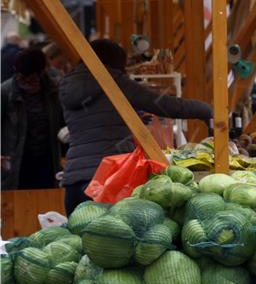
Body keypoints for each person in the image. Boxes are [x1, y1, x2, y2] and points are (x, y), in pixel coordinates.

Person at [59, 39, 212, 214]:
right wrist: (206, 110)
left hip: (74, 178)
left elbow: (97, 117)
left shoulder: (67, 86)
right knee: (110, 238)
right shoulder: (114, 82)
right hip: (108, 179)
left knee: (78, 236)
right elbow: (165, 104)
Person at [1, 48, 65, 190]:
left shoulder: (53, 90)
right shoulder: (5, 93)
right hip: (16, 164)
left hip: (47, 162)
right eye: (21, 78)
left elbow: (63, 121)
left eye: (31, 80)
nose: (26, 84)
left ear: (41, 73)